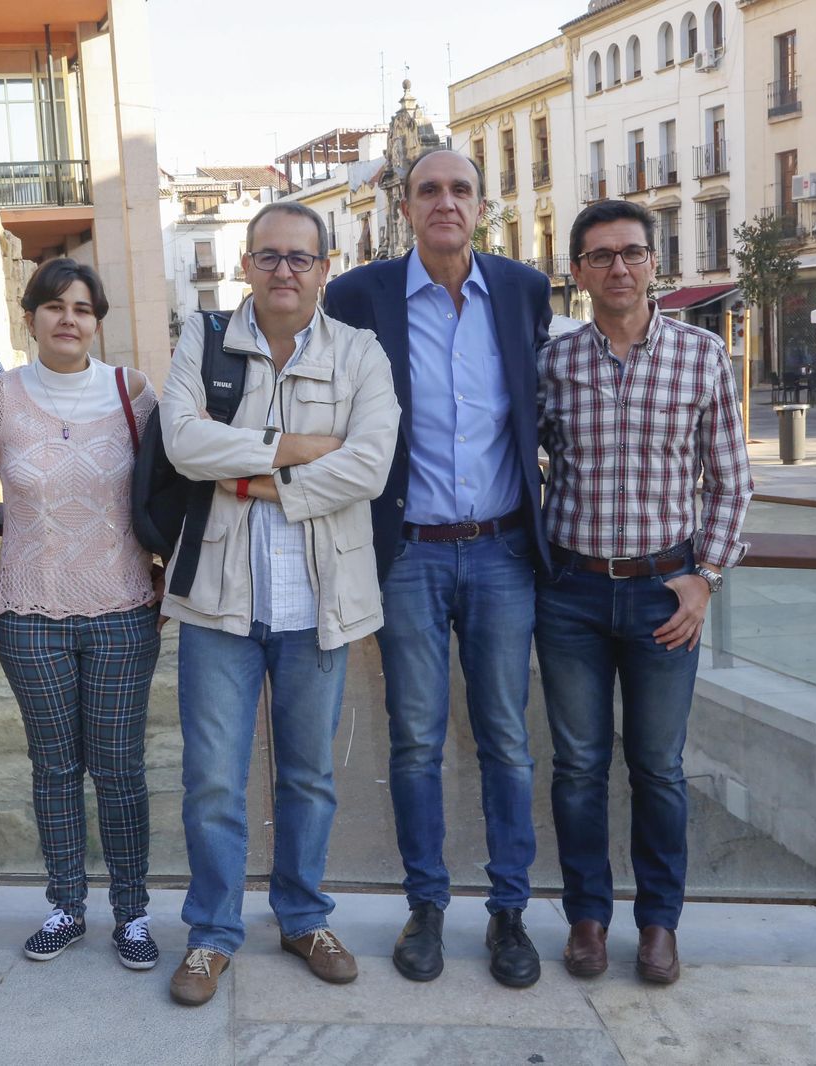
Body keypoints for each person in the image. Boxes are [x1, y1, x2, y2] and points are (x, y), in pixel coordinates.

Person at [160, 201, 400, 1007]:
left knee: (308, 778)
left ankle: (302, 915)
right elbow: (182, 443)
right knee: (213, 783)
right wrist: (299, 451)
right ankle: (212, 934)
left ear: (325, 268)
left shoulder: (361, 351)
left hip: (319, 603)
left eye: (301, 257)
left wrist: (251, 478)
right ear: (246, 265)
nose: (285, 271)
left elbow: (368, 466)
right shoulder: (203, 339)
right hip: (218, 603)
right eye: (269, 256)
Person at [324, 148, 553, 989]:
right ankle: (426, 904)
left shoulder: (525, 291)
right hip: (408, 553)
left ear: (481, 206)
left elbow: (540, 413)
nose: (445, 202)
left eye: (460, 189)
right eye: (430, 190)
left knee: (505, 739)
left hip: (502, 552)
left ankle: (509, 912)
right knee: (415, 739)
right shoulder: (359, 296)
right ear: (407, 206)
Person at [536, 199, 752, 986]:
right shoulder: (553, 363)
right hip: (570, 596)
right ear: (579, 272)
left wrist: (707, 576)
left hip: (666, 598)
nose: (618, 268)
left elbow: (732, 482)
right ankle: (587, 920)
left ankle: (659, 923)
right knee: (578, 766)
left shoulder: (702, 358)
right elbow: (518, 464)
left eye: (631, 252)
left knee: (658, 767)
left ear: (654, 263)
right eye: (600, 256)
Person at [0, 259, 164, 971]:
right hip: (29, 613)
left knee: (118, 768)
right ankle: (66, 905)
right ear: (31, 317)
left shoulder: (132, 393)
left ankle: (133, 914)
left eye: (82, 307)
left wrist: (161, 580)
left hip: (121, 609)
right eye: (53, 306)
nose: (68, 318)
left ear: (97, 320)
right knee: (53, 767)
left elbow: (159, 493)